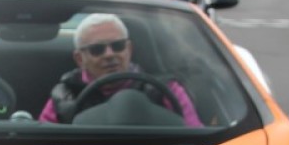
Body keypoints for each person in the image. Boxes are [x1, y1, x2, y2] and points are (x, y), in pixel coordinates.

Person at [38, 13, 202, 126]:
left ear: (129, 49)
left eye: (118, 46)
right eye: (97, 49)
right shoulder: (64, 96)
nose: (109, 54)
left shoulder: (168, 89)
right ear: (80, 59)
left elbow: (196, 138)